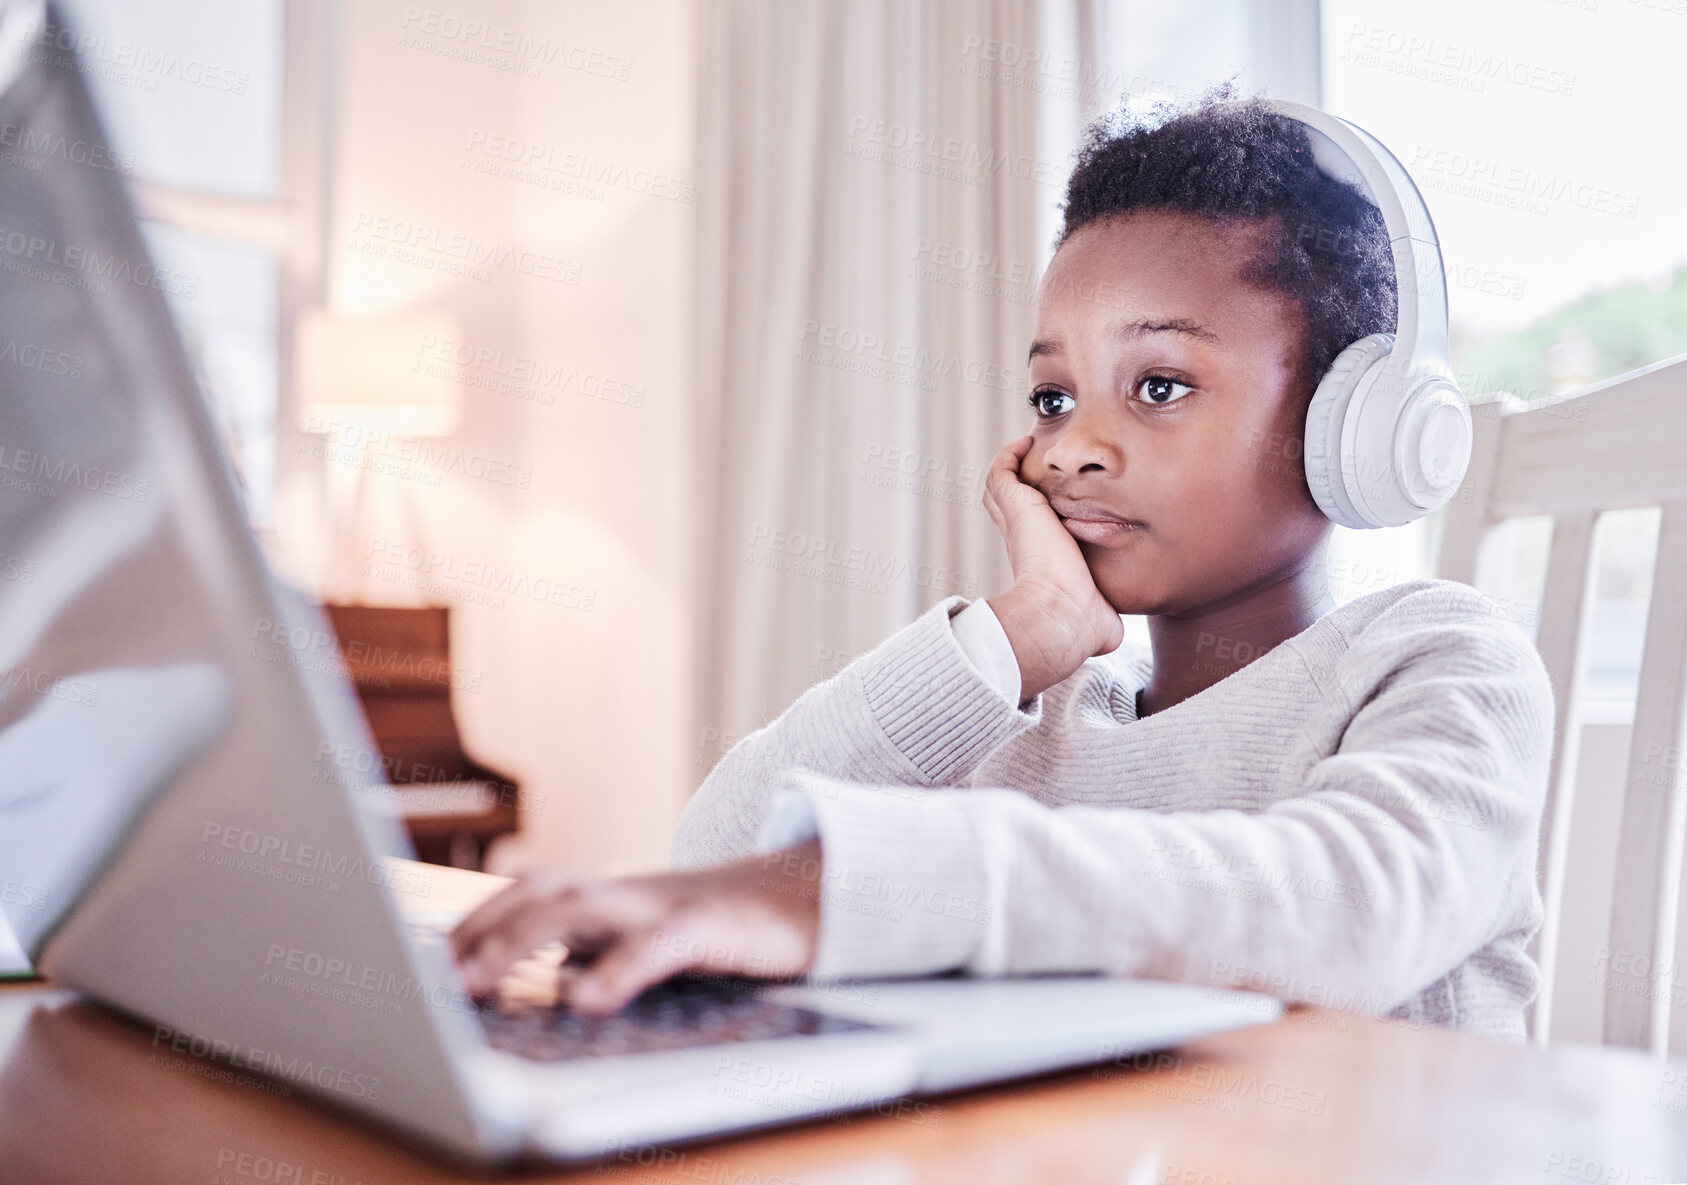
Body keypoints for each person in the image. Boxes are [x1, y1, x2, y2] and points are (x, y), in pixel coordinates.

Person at [451, 86, 1555, 1040]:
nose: (1070, 445)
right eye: (1051, 397)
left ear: (1350, 425)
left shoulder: (1443, 663)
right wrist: (1014, 638)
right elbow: (719, 850)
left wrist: (845, 894)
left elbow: (1338, 917)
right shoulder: (1038, 712)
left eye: (1158, 385)